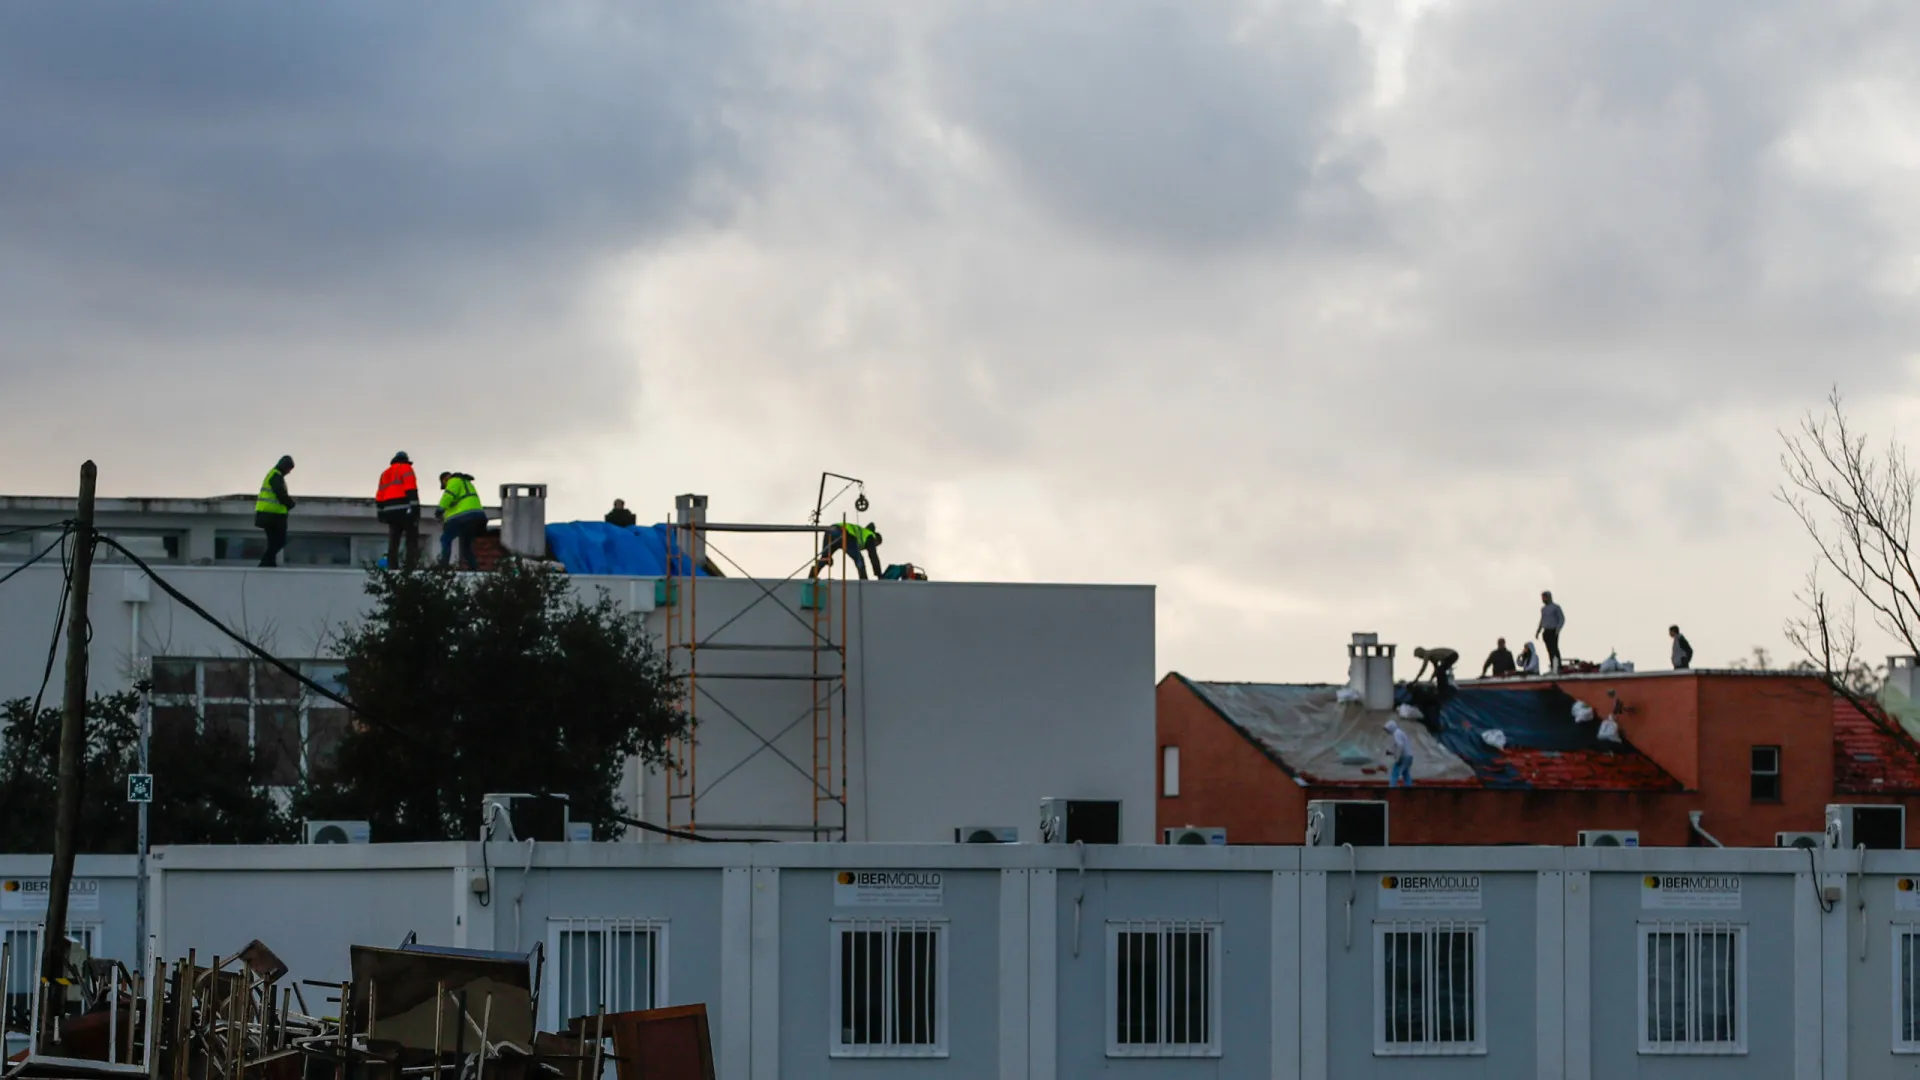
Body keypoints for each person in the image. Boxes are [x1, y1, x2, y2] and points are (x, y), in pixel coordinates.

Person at [375, 452, 421, 568]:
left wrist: (380, 512)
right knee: (411, 539)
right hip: (404, 509)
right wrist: (415, 509)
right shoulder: (406, 468)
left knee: (394, 540)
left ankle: (392, 567)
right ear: (405, 460)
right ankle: (410, 566)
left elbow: (380, 494)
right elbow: (411, 489)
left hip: (389, 511)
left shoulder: (385, 473)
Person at [436, 471, 486, 571]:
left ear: (445, 479)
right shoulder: (467, 483)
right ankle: (474, 568)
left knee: (445, 539)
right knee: (466, 545)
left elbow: (448, 496)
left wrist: (439, 510)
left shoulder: (453, 481)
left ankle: (443, 567)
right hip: (477, 516)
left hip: (463, 516)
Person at [255, 455, 296, 567]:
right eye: (289, 469)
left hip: (267, 515)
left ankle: (269, 563)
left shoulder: (273, 475)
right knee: (279, 541)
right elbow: (280, 494)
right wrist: (290, 504)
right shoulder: (276, 476)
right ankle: (265, 562)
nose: (289, 472)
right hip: (273, 516)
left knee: (273, 542)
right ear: (285, 467)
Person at [811, 521, 883, 580]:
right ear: (876, 539)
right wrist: (879, 575)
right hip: (844, 533)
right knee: (859, 559)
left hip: (830, 530)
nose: (874, 546)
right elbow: (873, 556)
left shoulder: (863, 532)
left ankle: (811, 576)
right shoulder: (870, 536)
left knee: (825, 557)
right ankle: (864, 581)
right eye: (876, 544)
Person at [1537, 591, 1566, 673]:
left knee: (1554, 649)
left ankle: (1558, 666)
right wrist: (1538, 631)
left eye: (1544, 597)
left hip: (1553, 631)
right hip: (1546, 631)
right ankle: (1553, 666)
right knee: (1549, 650)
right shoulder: (1543, 609)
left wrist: (1558, 630)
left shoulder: (1556, 607)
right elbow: (1542, 620)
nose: (1543, 599)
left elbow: (1562, 619)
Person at [1385, 718, 1414, 788]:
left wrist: (1398, 758)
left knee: (1395, 772)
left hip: (1403, 757)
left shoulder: (1396, 733)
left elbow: (1400, 745)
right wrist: (1392, 752)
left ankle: (1392, 788)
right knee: (1405, 773)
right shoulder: (1400, 732)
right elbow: (1402, 747)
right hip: (1409, 756)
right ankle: (1409, 787)